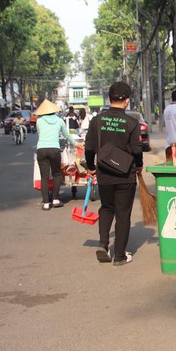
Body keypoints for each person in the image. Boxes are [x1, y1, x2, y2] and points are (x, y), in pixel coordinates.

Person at [84, 82, 144, 266]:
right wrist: (139, 165)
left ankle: (103, 244)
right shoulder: (132, 123)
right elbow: (137, 149)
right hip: (125, 174)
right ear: (127, 101)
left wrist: (91, 167)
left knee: (107, 207)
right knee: (123, 214)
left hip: (104, 173)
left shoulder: (97, 121)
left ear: (109, 98)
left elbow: (89, 148)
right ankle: (119, 256)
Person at [35, 99, 81, 210]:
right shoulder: (60, 121)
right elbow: (67, 135)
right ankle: (55, 200)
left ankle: (46, 203)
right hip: (54, 150)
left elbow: (40, 133)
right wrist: (76, 144)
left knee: (44, 177)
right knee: (56, 174)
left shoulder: (39, 121)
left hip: (41, 149)